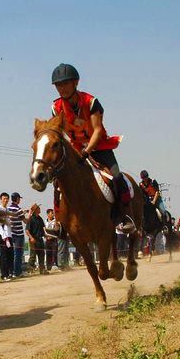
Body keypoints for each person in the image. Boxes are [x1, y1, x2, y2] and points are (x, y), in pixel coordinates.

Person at [50, 63, 134, 233]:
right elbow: (58, 133)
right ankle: (60, 223)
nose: (62, 88)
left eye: (65, 84)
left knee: (117, 177)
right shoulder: (55, 107)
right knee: (58, 181)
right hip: (75, 150)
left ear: (75, 83)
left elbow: (97, 130)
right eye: (59, 85)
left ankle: (124, 217)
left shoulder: (91, 102)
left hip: (99, 146)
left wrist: (87, 152)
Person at [0, 192, 13, 281]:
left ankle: (9, 273)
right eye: (4, 198)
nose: (6, 200)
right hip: (3, 236)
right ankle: (4, 275)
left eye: (7, 198)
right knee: (4, 256)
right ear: (1, 199)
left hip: (9, 235)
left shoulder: (7, 209)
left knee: (10, 255)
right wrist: (3, 236)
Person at [8, 192, 26, 277]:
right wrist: (30, 213)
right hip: (19, 234)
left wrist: (23, 212)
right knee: (18, 254)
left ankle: (12, 272)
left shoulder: (8, 208)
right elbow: (26, 221)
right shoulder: (18, 209)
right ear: (17, 199)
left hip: (11, 233)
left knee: (13, 254)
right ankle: (17, 272)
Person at [26, 203, 47, 274]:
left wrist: (45, 234)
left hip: (40, 239)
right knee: (33, 256)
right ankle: (30, 269)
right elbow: (27, 230)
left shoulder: (40, 218)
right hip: (33, 240)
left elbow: (43, 228)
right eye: (38, 208)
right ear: (35, 210)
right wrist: (31, 238)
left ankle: (42, 269)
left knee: (42, 254)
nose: (39, 209)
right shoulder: (31, 219)